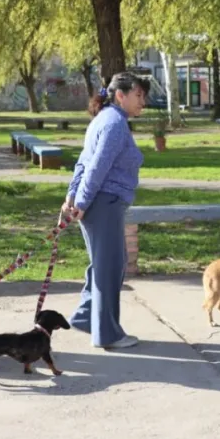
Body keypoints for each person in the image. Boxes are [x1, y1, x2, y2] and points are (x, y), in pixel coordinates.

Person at [63, 73, 147, 349]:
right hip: (104, 204)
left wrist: (73, 198)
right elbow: (96, 167)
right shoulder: (114, 124)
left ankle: (87, 317)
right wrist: (81, 203)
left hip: (98, 204)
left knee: (104, 265)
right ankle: (107, 334)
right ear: (120, 95)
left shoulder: (104, 120)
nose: (142, 102)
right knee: (109, 269)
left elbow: (82, 163)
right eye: (138, 96)